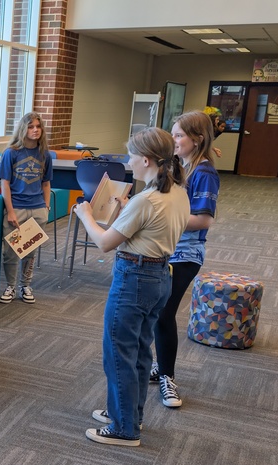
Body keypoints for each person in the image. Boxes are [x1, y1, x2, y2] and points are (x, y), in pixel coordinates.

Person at [74, 127, 190, 447]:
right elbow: (152, 227)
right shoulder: (178, 192)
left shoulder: (146, 200)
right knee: (138, 352)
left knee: (118, 353)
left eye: (131, 156)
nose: (128, 162)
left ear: (147, 159)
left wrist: (86, 215)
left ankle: (125, 428)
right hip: (159, 277)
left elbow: (104, 243)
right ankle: (128, 414)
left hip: (134, 279)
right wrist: (128, 210)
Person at [151, 110, 221, 409]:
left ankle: (167, 377)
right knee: (157, 311)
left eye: (179, 135)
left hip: (186, 254)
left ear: (198, 139)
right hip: (169, 248)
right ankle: (161, 366)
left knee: (164, 313)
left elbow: (203, 220)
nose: (174, 139)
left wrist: (163, 217)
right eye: (173, 134)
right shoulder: (183, 165)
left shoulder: (204, 173)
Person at [0, 112, 52, 304]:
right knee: (11, 251)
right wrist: (10, 211)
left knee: (30, 251)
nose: (35, 130)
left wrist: (46, 207)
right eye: (31, 127)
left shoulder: (45, 154)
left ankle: (25, 285)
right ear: (23, 129)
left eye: (38, 126)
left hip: (37, 209)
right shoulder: (11, 153)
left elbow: (46, 183)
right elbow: (4, 184)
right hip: (17, 208)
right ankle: (10, 286)